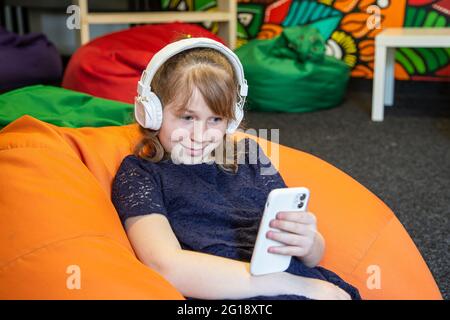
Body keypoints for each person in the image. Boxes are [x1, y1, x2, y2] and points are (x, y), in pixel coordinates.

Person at [111, 37, 361, 300]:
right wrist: (295, 286)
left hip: (296, 280)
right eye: (187, 117)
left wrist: (310, 244)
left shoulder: (250, 157)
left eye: (215, 119)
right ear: (152, 112)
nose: (200, 134)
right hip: (232, 290)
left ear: (232, 120)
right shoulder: (140, 174)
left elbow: (309, 254)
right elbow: (165, 265)